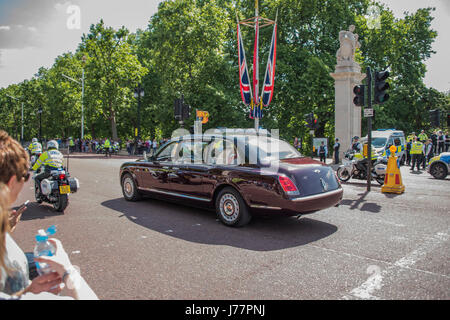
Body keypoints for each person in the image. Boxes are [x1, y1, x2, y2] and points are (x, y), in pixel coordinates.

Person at [0, 131, 98, 300]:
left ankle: (43, 193)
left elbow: (38, 165)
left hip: (50, 173)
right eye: (25, 177)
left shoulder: (44, 153)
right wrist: (68, 271)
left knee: (39, 178)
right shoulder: (59, 153)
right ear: (11, 181)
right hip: (60, 173)